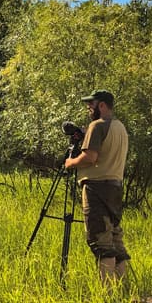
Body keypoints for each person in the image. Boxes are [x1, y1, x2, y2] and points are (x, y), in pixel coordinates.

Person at [64, 89, 130, 285]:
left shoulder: (97, 125)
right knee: (115, 238)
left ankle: (107, 294)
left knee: (100, 241)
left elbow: (90, 158)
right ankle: (123, 289)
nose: (88, 107)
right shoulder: (120, 127)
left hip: (96, 188)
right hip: (115, 187)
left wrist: (71, 163)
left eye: (91, 104)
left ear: (102, 105)